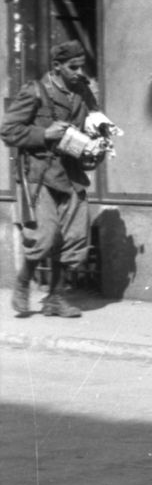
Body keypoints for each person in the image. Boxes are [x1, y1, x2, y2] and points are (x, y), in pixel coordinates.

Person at [4, 37, 107, 320]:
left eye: (81, 67)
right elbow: (8, 130)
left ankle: (56, 298)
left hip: (72, 172)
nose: (78, 72)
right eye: (73, 67)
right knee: (45, 237)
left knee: (75, 239)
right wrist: (43, 134)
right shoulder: (35, 91)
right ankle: (24, 280)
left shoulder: (83, 91)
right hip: (39, 174)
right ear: (57, 66)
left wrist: (98, 142)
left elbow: (94, 122)